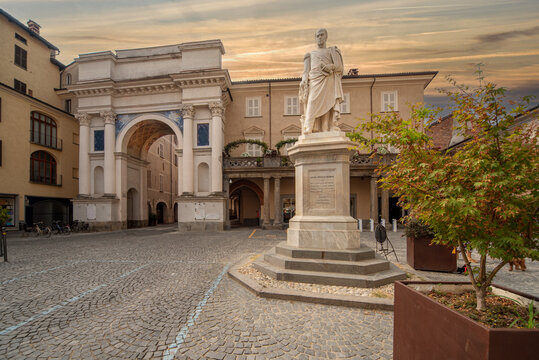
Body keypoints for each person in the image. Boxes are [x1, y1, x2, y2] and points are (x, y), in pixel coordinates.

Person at [299, 28, 344, 134]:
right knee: (312, 102)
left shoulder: (331, 51)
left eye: (322, 35)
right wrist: (304, 80)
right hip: (314, 81)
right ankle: (308, 126)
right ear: (315, 38)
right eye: (317, 36)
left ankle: (325, 128)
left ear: (326, 37)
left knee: (328, 104)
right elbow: (306, 71)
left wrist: (331, 67)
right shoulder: (310, 54)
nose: (319, 37)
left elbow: (340, 68)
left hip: (328, 80)